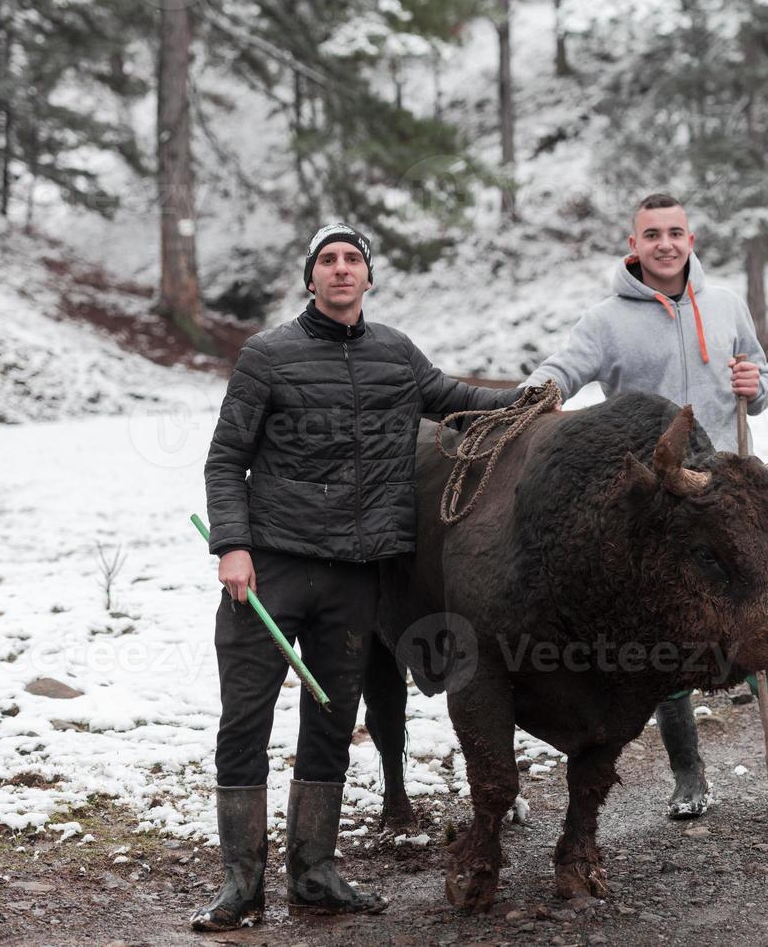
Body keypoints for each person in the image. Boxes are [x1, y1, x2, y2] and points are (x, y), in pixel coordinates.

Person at [191, 223, 526, 931]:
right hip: (272, 569)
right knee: (245, 721)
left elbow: (455, 400)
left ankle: (314, 873)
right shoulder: (267, 357)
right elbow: (226, 461)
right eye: (328, 261)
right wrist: (232, 546)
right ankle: (240, 886)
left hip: (356, 579)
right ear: (309, 278)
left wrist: (526, 402)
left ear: (368, 278)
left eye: (353, 260)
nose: (341, 270)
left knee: (333, 721)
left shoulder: (396, 355)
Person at [524, 193, 768, 820]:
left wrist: (758, 385)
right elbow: (564, 369)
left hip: (727, 499)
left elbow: (761, 379)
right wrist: (536, 394)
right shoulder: (606, 319)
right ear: (632, 247)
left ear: (691, 240)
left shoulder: (725, 306)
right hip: (660, 508)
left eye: (677, 232)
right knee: (671, 642)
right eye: (652, 234)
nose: (666, 243)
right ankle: (689, 777)